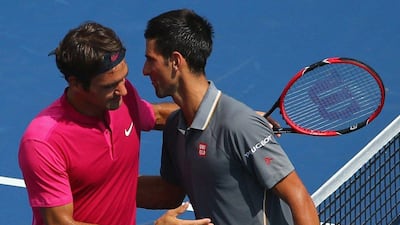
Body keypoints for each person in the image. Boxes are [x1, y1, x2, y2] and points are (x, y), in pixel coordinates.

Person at [137, 9, 320, 225]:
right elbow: (168, 193)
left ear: (176, 61)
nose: (145, 70)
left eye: (151, 60)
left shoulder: (239, 125)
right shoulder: (175, 129)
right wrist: (98, 188)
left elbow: (299, 198)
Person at [18, 21, 211, 225]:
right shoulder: (43, 142)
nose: (124, 90)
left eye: (124, 78)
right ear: (75, 83)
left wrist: (228, 116)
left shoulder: (122, 98)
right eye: (110, 85)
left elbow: (158, 115)